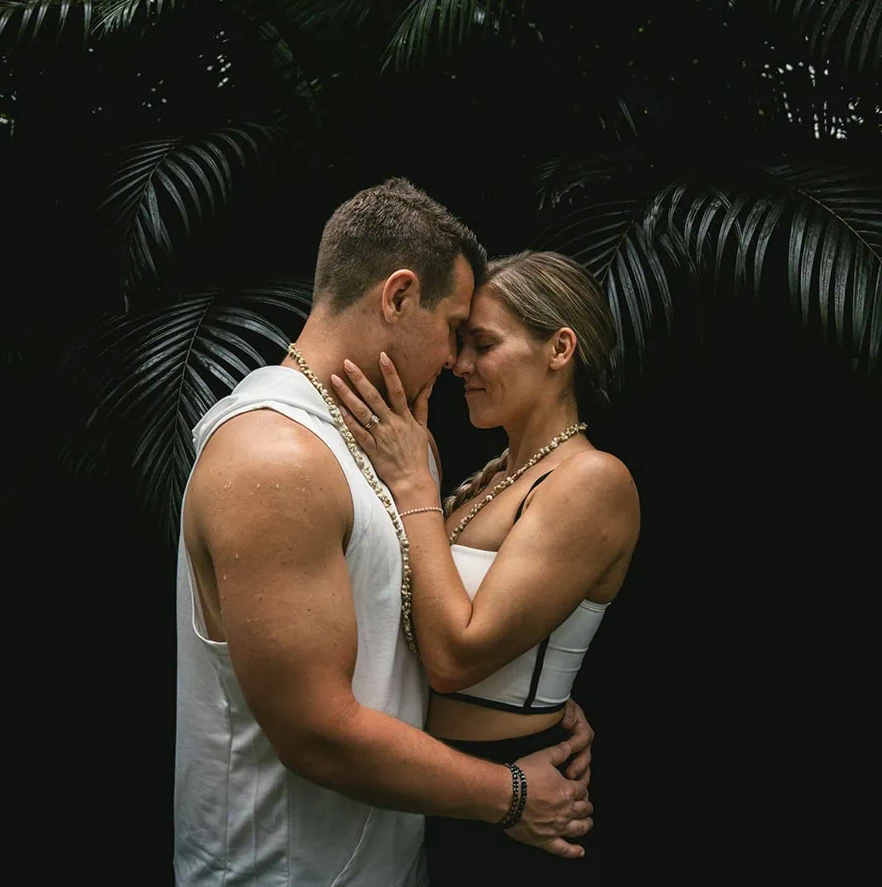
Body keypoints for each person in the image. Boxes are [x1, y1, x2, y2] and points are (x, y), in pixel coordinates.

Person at [174, 181, 596, 886]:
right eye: (456, 328)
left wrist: (532, 706)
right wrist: (513, 793)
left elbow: (402, 639)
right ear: (398, 297)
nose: (457, 359)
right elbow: (317, 731)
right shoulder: (273, 455)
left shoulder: (404, 447)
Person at [327, 250, 641, 884]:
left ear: (560, 349)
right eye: (460, 343)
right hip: (453, 786)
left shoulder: (592, 481)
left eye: (483, 345)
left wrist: (415, 486)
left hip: (521, 804)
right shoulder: (495, 477)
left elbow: (454, 658)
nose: (458, 365)